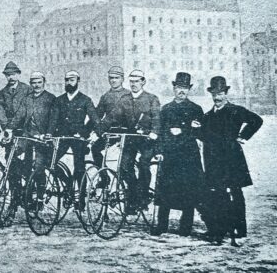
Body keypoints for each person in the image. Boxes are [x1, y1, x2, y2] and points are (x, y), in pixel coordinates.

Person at [198, 76, 262, 244]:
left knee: (235, 193)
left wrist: (243, 136)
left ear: (226, 93)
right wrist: (195, 128)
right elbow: (203, 135)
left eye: (220, 93)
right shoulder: (208, 115)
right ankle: (220, 228)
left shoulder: (236, 110)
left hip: (232, 159)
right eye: (214, 94)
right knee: (218, 194)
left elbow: (257, 120)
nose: (217, 97)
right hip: (213, 160)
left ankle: (240, 229)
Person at [151, 72, 204, 237]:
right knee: (165, 191)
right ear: (174, 88)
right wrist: (158, 151)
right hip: (169, 155)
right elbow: (158, 132)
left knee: (188, 191)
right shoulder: (166, 109)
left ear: (189, 90)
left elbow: (200, 132)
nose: (182, 91)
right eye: (179, 87)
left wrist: (184, 129)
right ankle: (161, 225)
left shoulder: (196, 109)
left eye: (185, 88)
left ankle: (185, 227)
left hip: (189, 156)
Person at [108, 70, 161, 215]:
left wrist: (154, 132)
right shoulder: (124, 99)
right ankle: (132, 197)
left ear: (143, 82)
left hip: (147, 140)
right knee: (124, 166)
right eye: (131, 82)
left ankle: (143, 196)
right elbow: (113, 117)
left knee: (144, 163)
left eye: (137, 81)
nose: (134, 84)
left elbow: (157, 118)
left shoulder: (151, 99)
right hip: (131, 139)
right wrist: (100, 131)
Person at [47, 71, 101, 210]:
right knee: (50, 161)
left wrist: (96, 134)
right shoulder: (59, 100)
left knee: (79, 168)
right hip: (63, 137)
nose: (69, 83)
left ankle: (81, 200)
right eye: (67, 80)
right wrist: (49, 133)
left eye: (72, 80)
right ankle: (68, 184)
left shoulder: (85, 100)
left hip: (78, 138)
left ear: (78, 81)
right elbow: (53, 120)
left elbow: (94, 119)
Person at [7, 71, 55, 214]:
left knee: (39, 166)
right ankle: (22, 194)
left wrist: (49, 134)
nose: (36, 85)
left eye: (39, 82)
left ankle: (40, 198)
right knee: (14, 160)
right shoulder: (27, 99)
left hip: (43, 138)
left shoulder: (50, 98)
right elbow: (19, 116)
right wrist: (9, 129)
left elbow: (53, 118)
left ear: (44, 82)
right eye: (33, 82)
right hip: (27, 136)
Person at [90, 66, 130, 173]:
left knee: (125, 162)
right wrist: (95, 131)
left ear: (122, 79)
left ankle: (132, 188)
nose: (113, 80)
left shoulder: (129, 95)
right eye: (111, 78)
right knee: (95, 149)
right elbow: (97, 116)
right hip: (111, 131)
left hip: (127, 132)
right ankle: (104, 177)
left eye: (116, 78)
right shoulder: (105, 97)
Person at [0, 61, 31, 161]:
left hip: (25, 129)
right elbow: (0, 112)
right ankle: (14, 176)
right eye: (8, 75)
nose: (11, 77)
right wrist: (5, 129)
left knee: (27, 159)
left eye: (13, 74)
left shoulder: (27, 89)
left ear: (18, 74)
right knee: (9, 157)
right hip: (9, 131)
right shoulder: (3, 92)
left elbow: (25, 110)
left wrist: (10, 127)